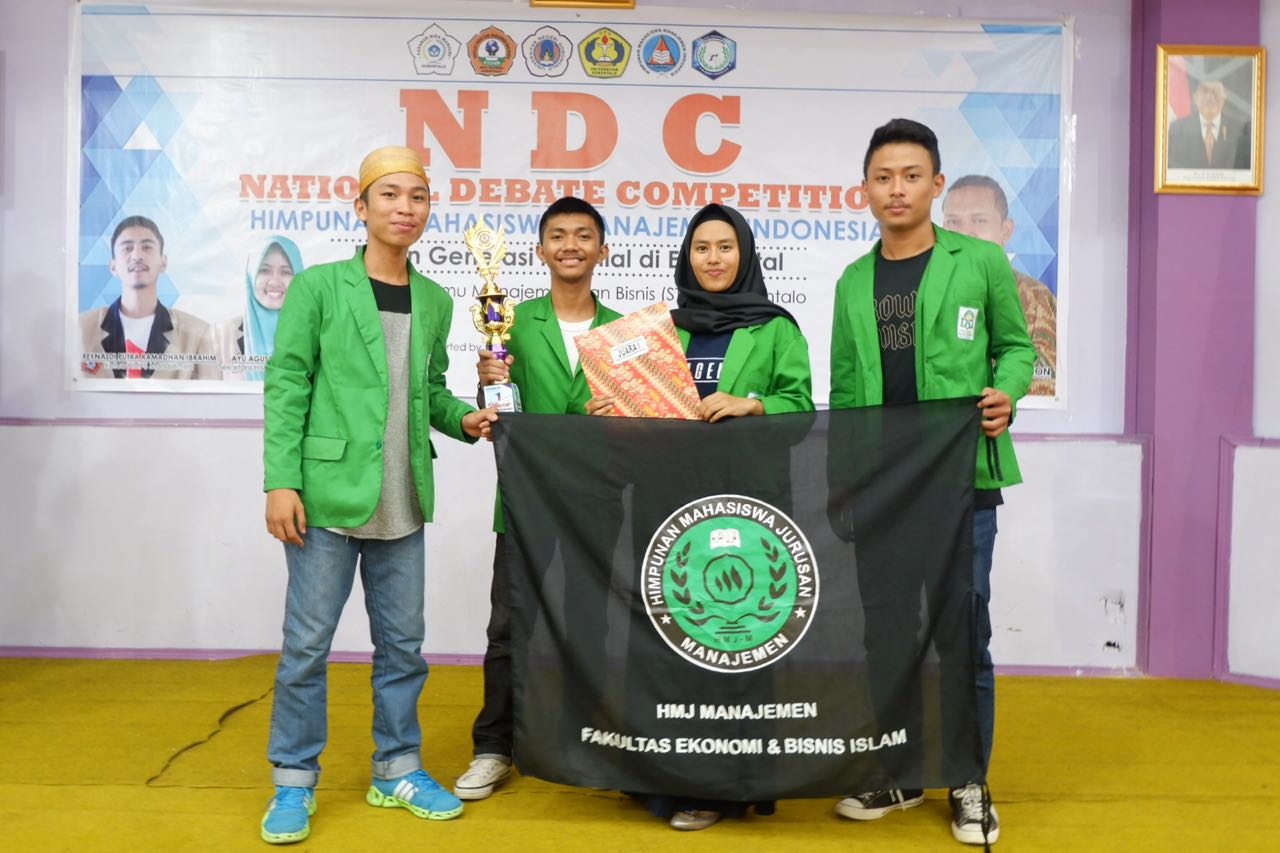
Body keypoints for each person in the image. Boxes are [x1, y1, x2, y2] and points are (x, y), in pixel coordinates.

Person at [259, 145, 498, 845]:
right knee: (306, 647)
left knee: (404, 646)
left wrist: (467, 418)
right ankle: (293, 780)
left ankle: (396, 765)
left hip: (403, 497)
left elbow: (426, 392)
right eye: (390, 195)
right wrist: (280, 480)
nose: (405, 208)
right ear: (360, 206)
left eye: (417, 197)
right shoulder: (319, 287)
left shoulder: (436, 299)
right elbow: (287, 383)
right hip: (326, 495)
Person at [829, 118, 1034, 846]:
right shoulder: (853, 280)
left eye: (911, 175)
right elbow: (847, 389)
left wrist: (1006, 393)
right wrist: (842, 483)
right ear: (865, 189)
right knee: (887, 632)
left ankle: (969, 778)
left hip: (963, 483)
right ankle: (900, 765)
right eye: (882, 177)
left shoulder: (978, 261)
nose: (896, 189)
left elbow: (1015, 348)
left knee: (961, 630)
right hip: (882, 485)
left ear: (936, 185)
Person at [588, 202, 813, 831]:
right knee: (667, 633)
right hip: (670, 503)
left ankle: (724, 783)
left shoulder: (776, 328)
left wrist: (752, 403)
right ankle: (660, 774)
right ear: (687, 257)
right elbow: (639, 409)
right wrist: (610, 408)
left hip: (749, 506)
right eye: (701, 248)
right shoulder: (662, 330)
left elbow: (801, 410)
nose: (713, 258)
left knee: (735, 637)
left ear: (745, 253)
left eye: (725, 246)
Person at [453, 197, 622, 801]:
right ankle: (495, 746)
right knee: (508, 629)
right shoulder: (511, 323)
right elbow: (499, 415)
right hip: (524, 502)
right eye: (558, 235)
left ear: (603, 250)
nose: (570, 245)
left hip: (595, 504)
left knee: (593, 626)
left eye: (583, 235)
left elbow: (636, 422)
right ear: (540, 250)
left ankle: (594, 742)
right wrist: (486, 381)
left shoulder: (626, 332)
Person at [942, 175, 1056, 396]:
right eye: (953, 221)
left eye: (979, 220)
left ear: (1006, 230)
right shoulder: (927, 291)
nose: (965, 233)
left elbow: (1041, 392)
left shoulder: (1035, 299)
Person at [79, 215, 219, 380]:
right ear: (113, 266)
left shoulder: (198, 334)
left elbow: (209, 403)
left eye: (147, 247)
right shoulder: (81, 328)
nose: (137, 255)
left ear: (163, 262)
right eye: (127, 248)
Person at [215, 235, 304, 380]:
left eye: (286, 272)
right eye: (264, 270)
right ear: (250, 276)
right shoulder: (223, 335)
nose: (274, 281)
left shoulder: (314, 336)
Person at [1166, 79, 1243, 170]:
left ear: (1224, 98)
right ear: (1195, 97)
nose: (1210, 97)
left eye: (1215, 92)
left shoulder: (1239, 129)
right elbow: (1172, 167)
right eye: (1205, 91)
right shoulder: (1178, 128)